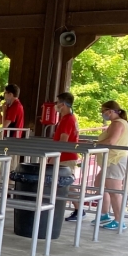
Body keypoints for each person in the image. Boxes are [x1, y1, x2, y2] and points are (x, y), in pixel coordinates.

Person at [93, 100, 128, 230]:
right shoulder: (119, 123)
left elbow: (111, 141)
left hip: (115, 160)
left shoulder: (117, 124)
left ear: (110, 111)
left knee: (114, 192)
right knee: (99, 184)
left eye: (103, 111)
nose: (102, 113)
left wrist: (95, 144)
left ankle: (120, 220)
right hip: (110, 160)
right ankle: (104, 214)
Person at [53, 92, 83, 222]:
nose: (56, 105)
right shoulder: (68, 118)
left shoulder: (67, 120)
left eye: (57, 102)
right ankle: (78, 209)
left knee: (67, 184)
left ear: (63, 104)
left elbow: (63, 140)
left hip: (65, 156)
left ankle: (79, 209)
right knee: (66, 183)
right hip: (65, 156)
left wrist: (53, 153)